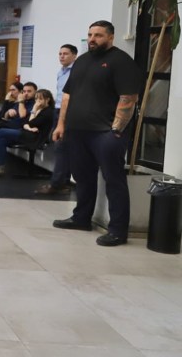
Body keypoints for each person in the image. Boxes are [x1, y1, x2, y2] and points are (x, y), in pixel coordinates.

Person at [52, 21, 144, 247]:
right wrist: (61, 124)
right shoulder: (82, 60)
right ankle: (81, 218)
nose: (93, 39)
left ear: (111, 37)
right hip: (77, 131)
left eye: (99, 35)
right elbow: (67, 96)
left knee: (114, 181)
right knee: (82, 178)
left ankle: (117, 231)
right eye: (90, 34)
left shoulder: (121, 61)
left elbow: (128, 98)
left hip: (105, 133)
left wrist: (116, 130)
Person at [0, 89, 55, 178]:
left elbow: (31, 122)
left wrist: (33, 111)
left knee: (2, 131)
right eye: (36, 99)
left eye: (40, 99)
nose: (37, 101)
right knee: (2, 139)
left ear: (47, 99)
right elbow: (24, 123)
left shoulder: (48, 112)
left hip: (35, 138)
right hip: (27, 133)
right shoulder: (39, 109)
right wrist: (28, 127)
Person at [37, 44, 79, 195]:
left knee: (60, 146)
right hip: (58, 109)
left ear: (74, 56)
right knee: (61, 146)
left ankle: (56, 183)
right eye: (60, 54)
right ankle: (63, 181)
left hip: (68, 112)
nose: (61, 56)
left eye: (65, 54)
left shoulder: (76, 72)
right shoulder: (61, 72)